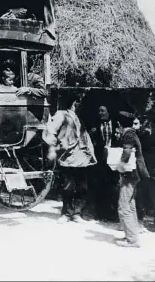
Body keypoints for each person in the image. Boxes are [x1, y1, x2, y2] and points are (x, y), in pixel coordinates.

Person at [52, 94, 97, 224]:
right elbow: (51, 132)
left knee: (82, 186)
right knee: (68, 187)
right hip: (68, 157)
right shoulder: (61, 115)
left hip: (81, 157)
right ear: (72, 103)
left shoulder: (76, 117)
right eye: (76, 102)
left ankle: (77, 213)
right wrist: (57, 147)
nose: (77, 105)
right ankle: (66, 213)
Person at [115, 111, 150, 248]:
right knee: (130, 204)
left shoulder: (128, 135)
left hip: (130, 175)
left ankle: (132, 240)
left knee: (124, 206)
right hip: (135, 174)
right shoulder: (132, 133)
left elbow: (127, 151)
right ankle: (131, 234)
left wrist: (120, 166)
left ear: (119, 124)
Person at [88, 105, 120, 221]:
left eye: (102, 111)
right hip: (101, 158)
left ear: (108, 112)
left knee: (113, 185)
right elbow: (90, 140)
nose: (100, 113)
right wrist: (91, 134)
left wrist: (118, 136)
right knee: (100, 185)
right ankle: (100, 213)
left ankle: (113, 213)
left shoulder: (116, 124)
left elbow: (120, 140)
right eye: (99, 111)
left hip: (113, 158)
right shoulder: (96, 125)